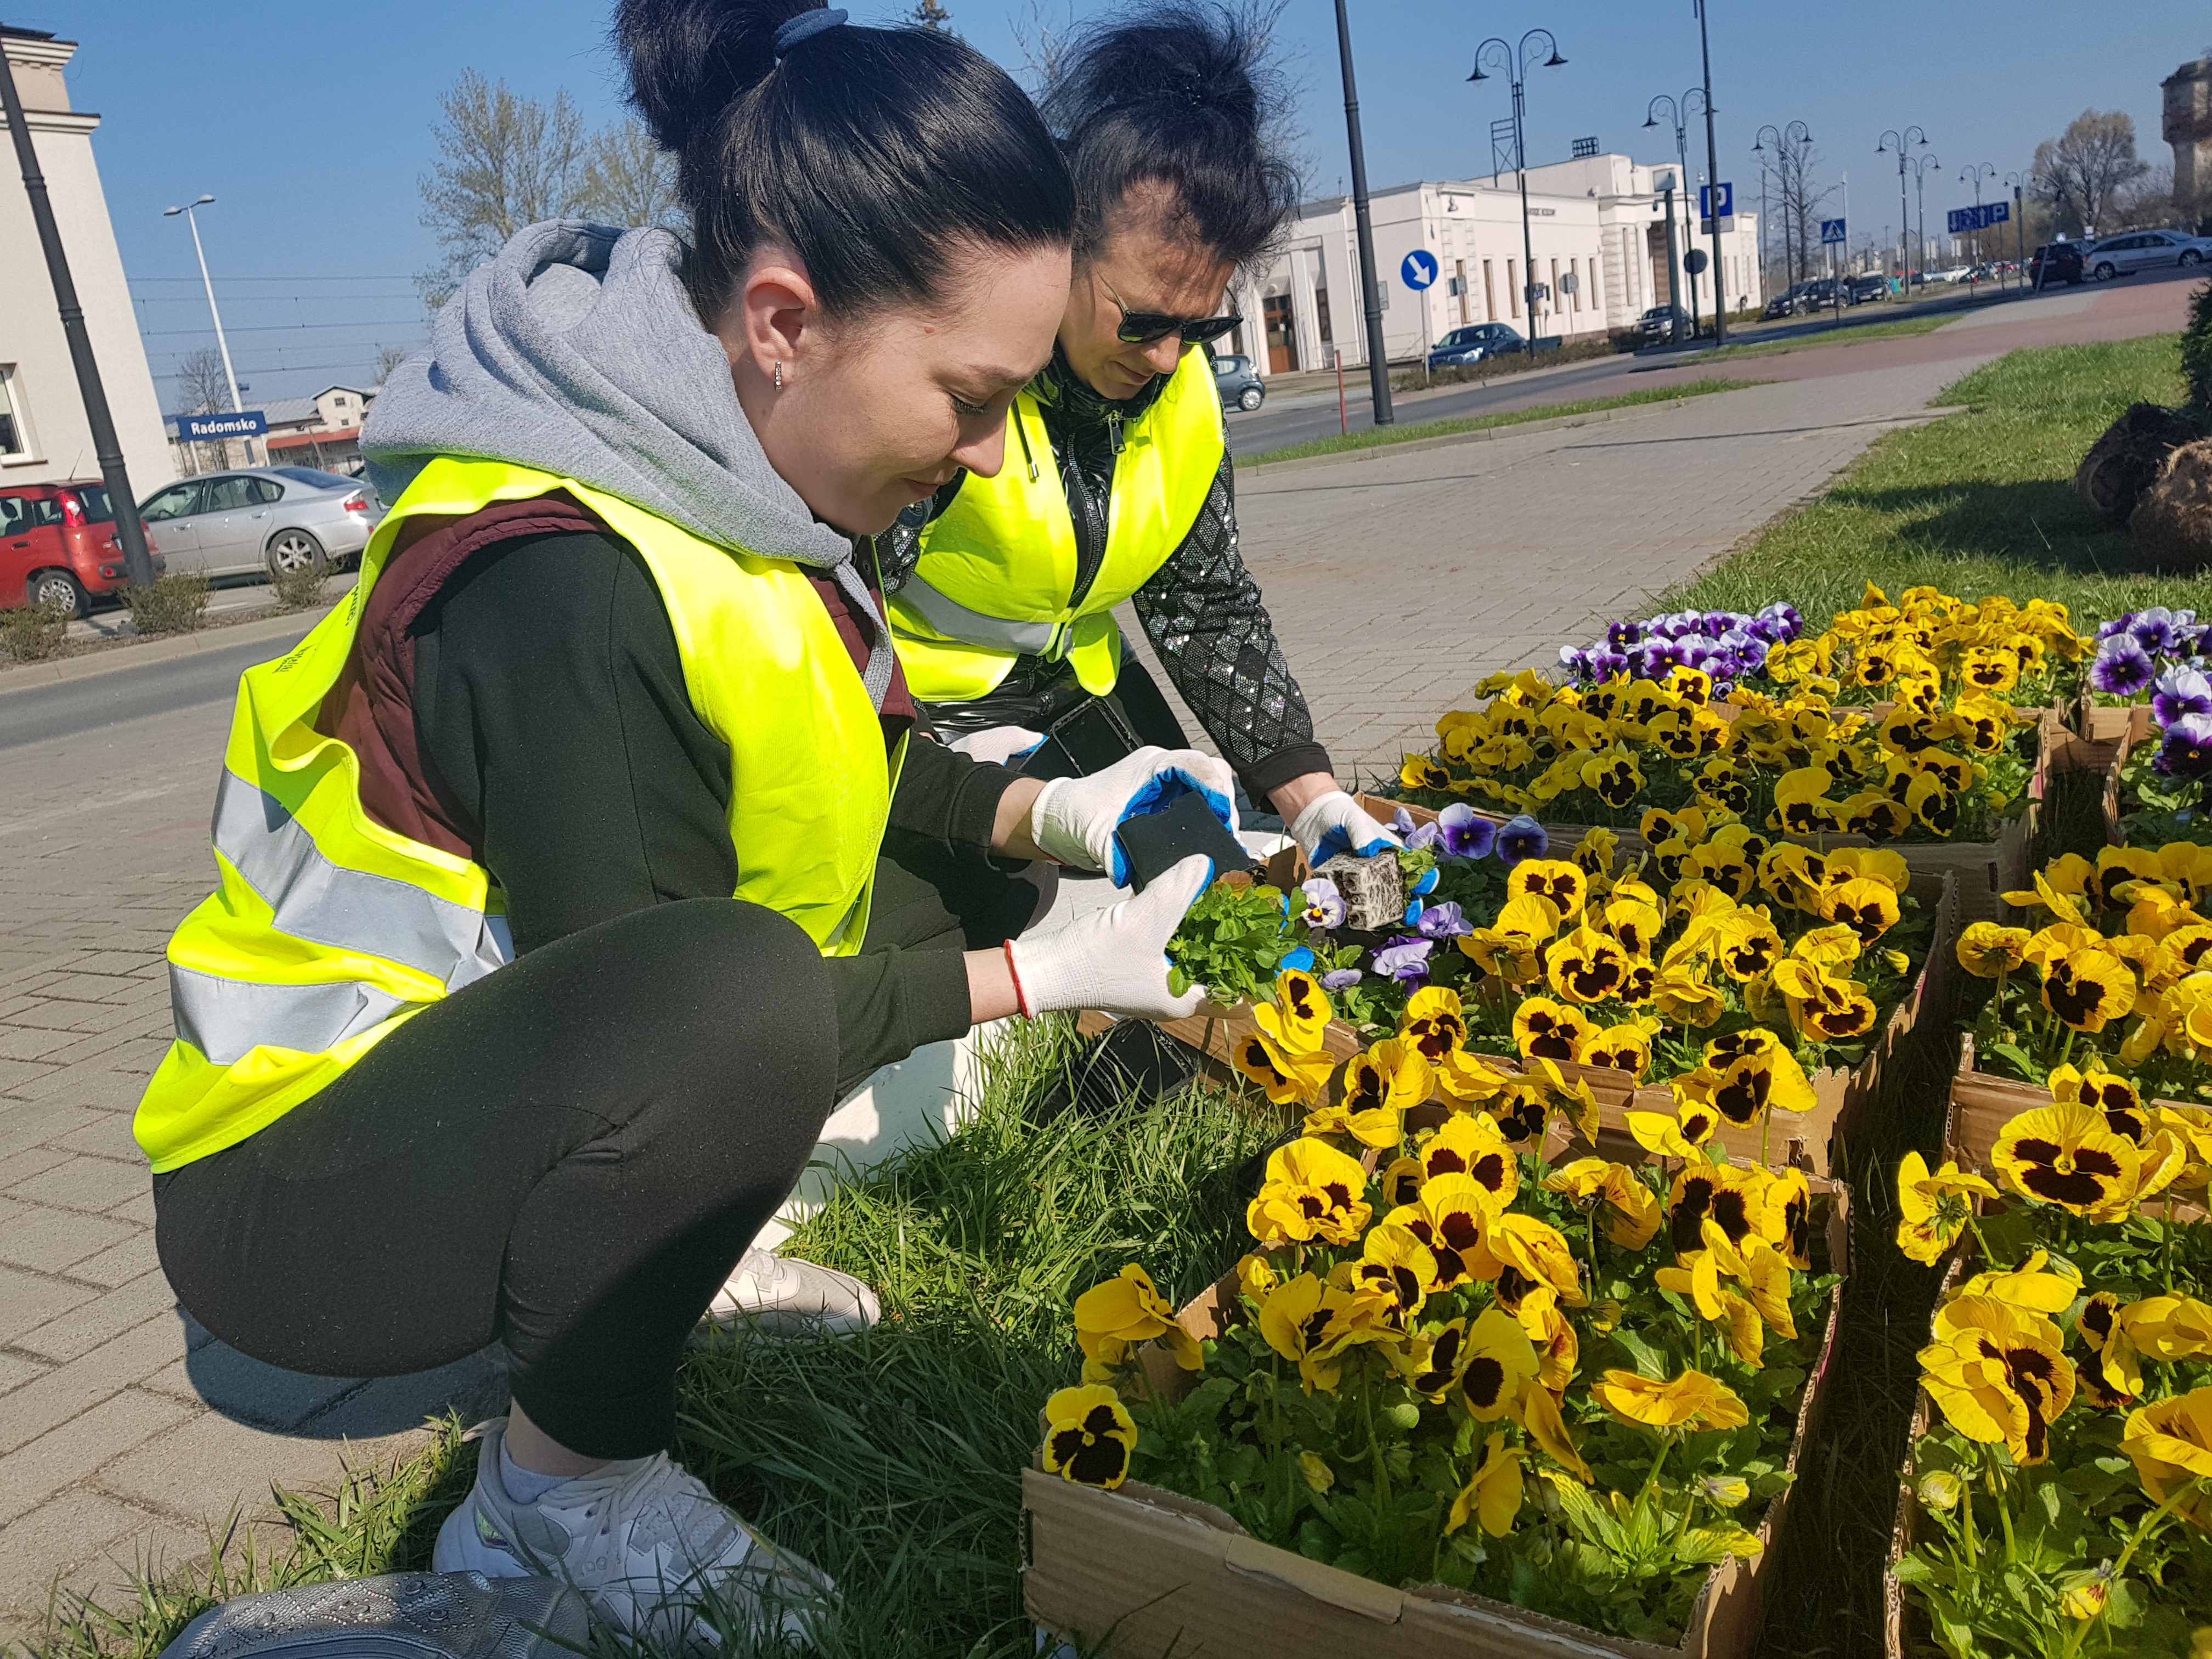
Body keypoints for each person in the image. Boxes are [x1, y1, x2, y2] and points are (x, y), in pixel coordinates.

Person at [136, 1, 1229, 1640]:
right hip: (297, 1204)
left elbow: (847, 775)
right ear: (784, 320)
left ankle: (662, 1288)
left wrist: (1055, 813)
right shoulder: (564, 574)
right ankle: (556, 1499)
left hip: (472, 1099)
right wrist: (1033, 985)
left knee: (896, 920)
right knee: (747, 1000)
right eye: (968, 394)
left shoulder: (728, 486)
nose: (992, 450)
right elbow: (679, 998)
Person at [877, 1, 1399, 867]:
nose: (1165, 359)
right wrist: (940, 773)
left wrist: (1310, 793)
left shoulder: (1183, 395)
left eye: (1197, 330)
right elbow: (830, 618)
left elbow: (1207, 607)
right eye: (1142, 321)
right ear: (1060, 249)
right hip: (928, 719)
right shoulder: (969, 384)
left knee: (1220, 882)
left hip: (1084, 690)